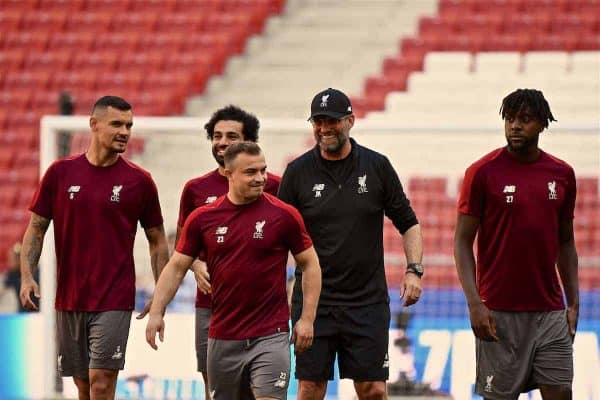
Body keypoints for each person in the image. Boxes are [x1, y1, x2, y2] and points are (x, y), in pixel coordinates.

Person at [19, 96, 169, 400]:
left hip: (115, 296)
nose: (125, 131)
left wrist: (161, 289)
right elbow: (36, 228)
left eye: (129, 125)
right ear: (94, 124)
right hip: (71, 295)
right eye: (117, 124)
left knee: (102, 379)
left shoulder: (139, 181)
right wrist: (26, 275)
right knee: (83, 384)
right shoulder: (60, 174)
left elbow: (157, 239)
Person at [277, 88, 424, 399]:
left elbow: (409, 223)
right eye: (318, 121)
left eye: (331, 121)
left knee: (372, 391)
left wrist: (414, 270)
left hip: (367, 303)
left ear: (350, 122)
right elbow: (279, 236)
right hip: (314, 305)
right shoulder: (298, 172)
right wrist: (286, 282)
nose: (324, 128)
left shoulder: (377, 166)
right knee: (309, 389)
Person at [146, 141, 321, 400]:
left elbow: (310, 264)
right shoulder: (203, 219)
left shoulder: (284, 215)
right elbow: (176, 268)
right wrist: (157, 312)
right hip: (223, 337)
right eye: (251, 172)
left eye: (263, 170)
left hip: (270, 336)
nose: (260, 178)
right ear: (228, 173)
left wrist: (306, 319)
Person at [454, 88, 578, 400]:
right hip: (498, 313)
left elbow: (566, 242)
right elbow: (462, 242)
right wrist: (475, 304)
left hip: (550, 312)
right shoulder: (482, 172)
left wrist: (573, 302)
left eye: (524, 119)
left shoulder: (562, 174)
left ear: (542, 124)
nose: (515, 126)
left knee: (561, 392)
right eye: (509, 119)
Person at [176, 105, 281, 398]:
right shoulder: (195, 189)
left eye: (231, 136)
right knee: (215, 388)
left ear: (248, 141)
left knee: (259, 388)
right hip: (210, 305)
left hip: (262, 311)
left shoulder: (274, 186)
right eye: (217, 135)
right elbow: (183, 247)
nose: (222, 142)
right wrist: (196, 266)